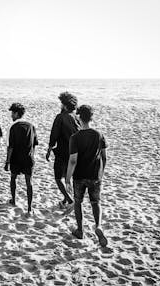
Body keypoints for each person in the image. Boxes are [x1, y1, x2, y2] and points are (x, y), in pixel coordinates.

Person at [66, 105, 108, 247]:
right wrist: (101, 173)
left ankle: (80, 230)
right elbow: (104, 157)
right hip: (95, 175)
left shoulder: (75, 137)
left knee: (78, 202)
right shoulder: (99, 134)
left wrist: (67, 179)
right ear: (91, 117)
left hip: (79, 176)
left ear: (78, 117)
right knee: (96, 202)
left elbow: (73, 160)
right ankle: (99, 226)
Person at [46, 91, 80, 211]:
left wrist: (49, 149)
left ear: (65, 105)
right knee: (68, 176)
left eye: (61, 104)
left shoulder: (60, 117)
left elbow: (54, 135)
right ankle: (65, 200)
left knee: (58, 178)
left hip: (62, 151)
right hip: (74, 152)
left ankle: (70, 200)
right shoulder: (76, 117)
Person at [4, 103, 38, 216]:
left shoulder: (12, 127)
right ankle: (29, 207)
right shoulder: (31, 126)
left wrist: (7, 162)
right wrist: (32, 156)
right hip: (28, 158)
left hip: (15, 159)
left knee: (13, 178)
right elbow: (34, 144)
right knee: (29, 182)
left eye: (12, 113)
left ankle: (13, 200)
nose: (11, 115)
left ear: (16, 113)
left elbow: (10, 147)